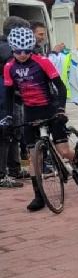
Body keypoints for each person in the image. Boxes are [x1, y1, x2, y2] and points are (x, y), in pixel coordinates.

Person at [2, 27, 75, 211]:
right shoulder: (9, 67)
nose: (23, 55)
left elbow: (61, 87)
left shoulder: (42, 62)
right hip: (30, 112)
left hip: (50, 109)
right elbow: (8, 96)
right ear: (12, 49)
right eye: (19, 51)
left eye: (27, 50)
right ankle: (38, 196)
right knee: (35, 157)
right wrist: (8, 118)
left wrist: (60, 109)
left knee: (64, 151)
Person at [0, 16, 32, 188]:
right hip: (6, 98)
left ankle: (14, 169)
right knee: (6, 134)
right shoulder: (8, 49)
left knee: (13, 133)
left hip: (10, 97)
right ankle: (3, 174)